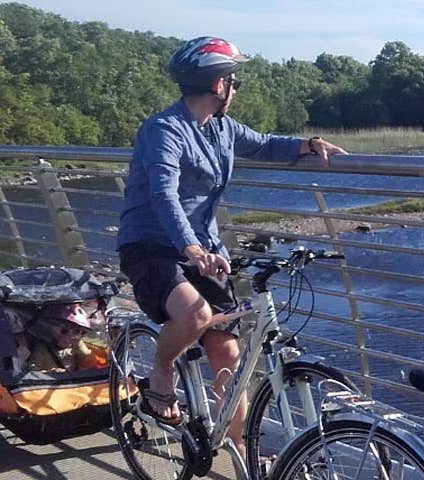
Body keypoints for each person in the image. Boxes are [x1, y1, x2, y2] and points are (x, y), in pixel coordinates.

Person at [116, 36, 347, 458]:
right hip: (152, 246)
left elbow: (264, 144)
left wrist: (308, 144)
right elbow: (163, 193)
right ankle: (161, 374)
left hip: (201, 248)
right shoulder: (164, 130)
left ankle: (240, 448)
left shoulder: (222, 128)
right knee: (196, 315)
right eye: (233, 80)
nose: (235, 88)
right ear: (219, 85)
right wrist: (190, 247)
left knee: (228, 350)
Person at [26, 304, 103, 372]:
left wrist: (79, 345)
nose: (70, 336)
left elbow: (90, 366)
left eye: (77, 332)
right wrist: (50, 372)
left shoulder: (77, 347)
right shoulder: (42, 349)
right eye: (65, 331)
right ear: (51, 330)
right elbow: (32, 371)